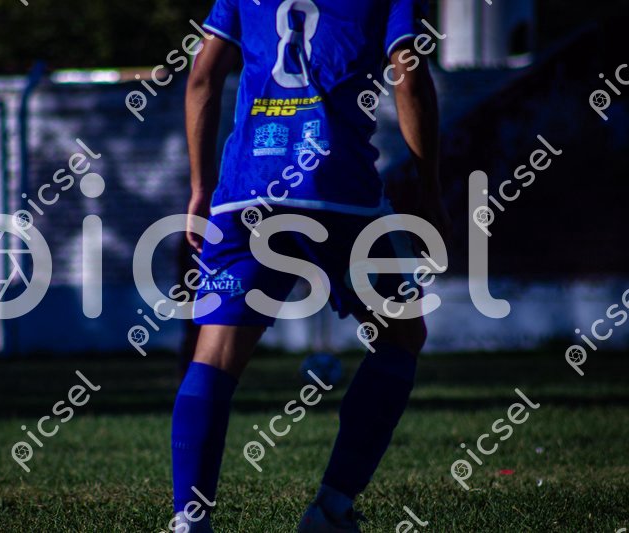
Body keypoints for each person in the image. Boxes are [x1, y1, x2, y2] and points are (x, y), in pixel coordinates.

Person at [171, 0, 450, 530]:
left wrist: (200, 188)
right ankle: (331, 508)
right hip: (338, 191)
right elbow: (409, 76)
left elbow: (202, 77)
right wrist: (430, 186)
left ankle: (190, 519)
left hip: (248, 190)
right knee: (400, 337)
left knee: (214, 356)